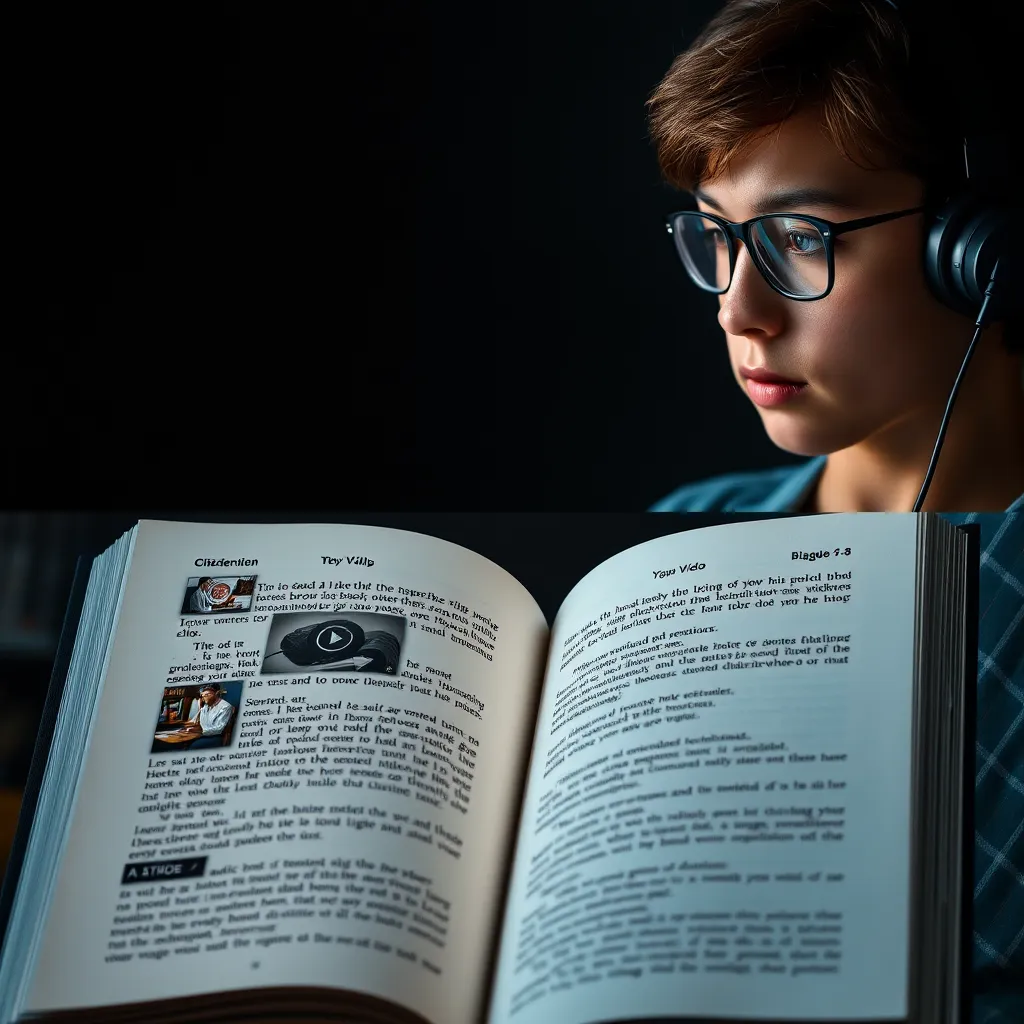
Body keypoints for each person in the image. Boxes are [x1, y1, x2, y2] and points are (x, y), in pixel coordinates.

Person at [643, 1, 1022, 1019]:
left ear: (975, 248)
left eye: (797, 238)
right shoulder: (674, 545)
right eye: (719, 238)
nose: (737, 308)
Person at [181, 683, 234, 748]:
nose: (204, 698)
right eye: (202, 696)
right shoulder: (205, 706)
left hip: (215, 737)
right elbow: (194, 721)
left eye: (207, 695)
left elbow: (219, 729)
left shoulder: (225, 707)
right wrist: (185, 727)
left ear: (216, 693)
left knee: (193, 747)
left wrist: (200, 732)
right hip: (201, 735)